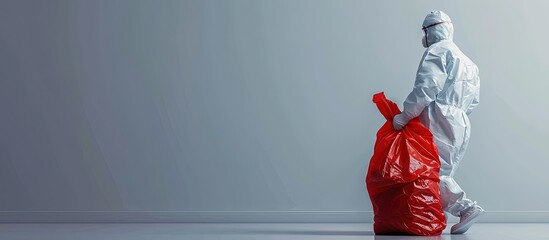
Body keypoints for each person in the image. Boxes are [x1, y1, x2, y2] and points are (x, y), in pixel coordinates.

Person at [392, 10, 484, 234]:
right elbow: (474, 101)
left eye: (425, 31)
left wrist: (403, 116)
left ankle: (466, 207)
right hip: (460, 120)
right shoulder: (468, 62)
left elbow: (426, 88)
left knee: (432, 170)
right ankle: (432, 215)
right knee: (444, 170)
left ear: (431, 30)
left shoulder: (438, 50)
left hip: (440, 115)